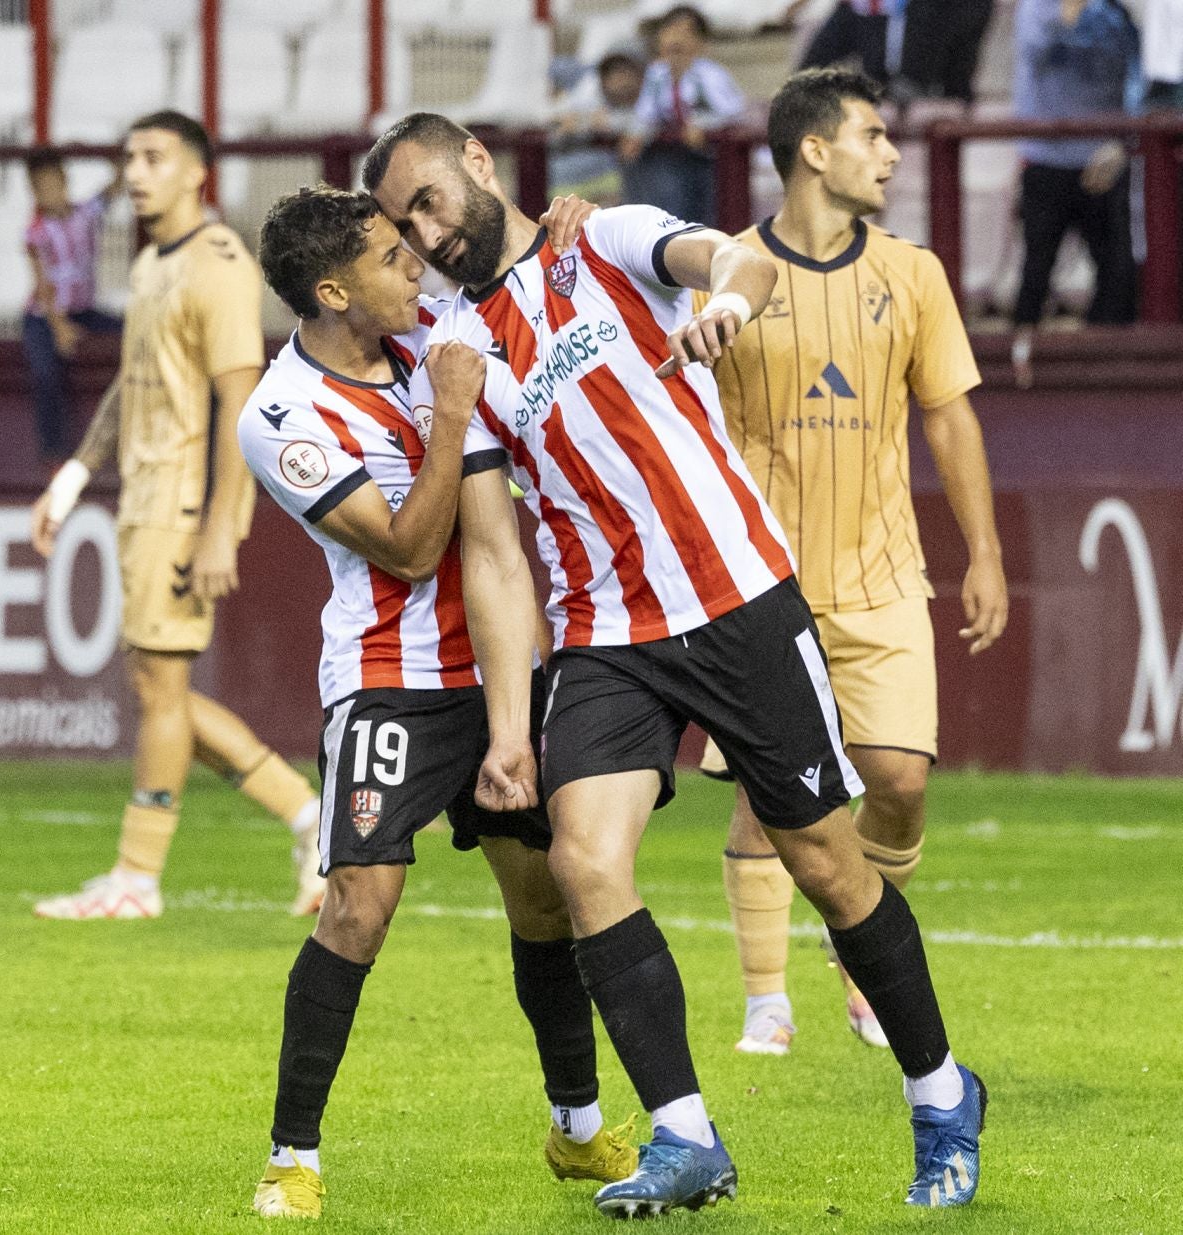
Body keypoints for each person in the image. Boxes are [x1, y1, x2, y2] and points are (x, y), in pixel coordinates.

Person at [366, 113, 987, 1216]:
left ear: (476, 162)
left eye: (426, 200)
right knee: (582, 856)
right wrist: (511, 730)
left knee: (829, 866)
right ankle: (684, 1133)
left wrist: (731, 306)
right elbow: (496, 552)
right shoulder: (454, 352)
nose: (423, 232)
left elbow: (732, 258)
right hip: (607, 633)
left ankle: (942, 1092)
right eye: (402, 223)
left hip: (737, 596)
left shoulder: (602, 239)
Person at [238, 186, 635, 1221]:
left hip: (501, 672)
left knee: (545, 898)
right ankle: (291, 1155)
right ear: (332, 290)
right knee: (358, 905)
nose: (415, 264)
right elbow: (410, 550)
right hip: (388, 684)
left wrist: (571, 227)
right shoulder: (282, 417)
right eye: (386, 256)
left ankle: (579, 1128)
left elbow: (538, 299)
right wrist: (453, 413)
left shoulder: (435, 337)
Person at [695, 69, 1007, 1059]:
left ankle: (857, 949)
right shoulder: (728, 271)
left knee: (900, 780)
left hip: (882, 578)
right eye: (873, 134)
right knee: (764, 792)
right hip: (762, 583)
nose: (892, 153)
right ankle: (763, 1000)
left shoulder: (913, 274)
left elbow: (949, 416)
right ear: (813, 150)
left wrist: (985, 554)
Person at [27, 112, 324, 921]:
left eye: (154, 157)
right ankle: (308, 818)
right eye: (127, 156)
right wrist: (73, 478)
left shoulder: (218, 262)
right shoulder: (156, 263)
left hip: (180, 500)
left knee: (160, 687)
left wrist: (223, 521)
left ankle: (137, 875)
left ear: (198, 172)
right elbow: (132, 385)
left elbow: (242, 399)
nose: (134, 171)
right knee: (159, 687)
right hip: (142, 496)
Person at [1010, 0, 1143, 386]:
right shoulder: (1036, 9)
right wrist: (1067, 12)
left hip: (1104, 159)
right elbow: (1034, 54)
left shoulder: (1116, 14)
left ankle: (1108, 364)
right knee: (1037, 266)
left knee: (1116, 267)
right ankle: (1020, 364)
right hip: (1046, 158)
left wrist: (1124, 141)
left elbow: (1139, 77)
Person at [23, 152, 122, 461]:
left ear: (65, 182)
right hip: (45, 316)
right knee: (46, 374)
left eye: (53, 185)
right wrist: (58, 326)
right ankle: (53, 451)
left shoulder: (86, 214)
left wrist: (112, 156)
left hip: (84, 310)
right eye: (41, 188)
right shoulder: (37, 231)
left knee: (135, 333)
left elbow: (116, 187)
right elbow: (42, 285)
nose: (49, 194)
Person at [620, 5, 746, 227]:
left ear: (700, 43)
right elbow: (646, 112)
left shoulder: (709, 74)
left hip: (712, 161)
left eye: (685, 33)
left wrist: (702, 126)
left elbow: (732, 111)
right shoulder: (657, 75)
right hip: (676, 159)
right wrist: (637, 134)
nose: (676, 39)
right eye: (670, 31)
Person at [550, 52, 647, 206]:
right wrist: (579, 122)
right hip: (567, 184)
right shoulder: (585, 97)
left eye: (625, 73)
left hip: (610, 188)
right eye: (613, 74)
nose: (620, 81)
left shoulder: (648, 101)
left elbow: (640, 122)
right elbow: (556, 122)